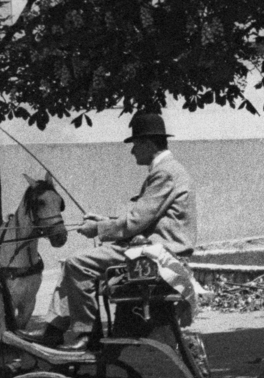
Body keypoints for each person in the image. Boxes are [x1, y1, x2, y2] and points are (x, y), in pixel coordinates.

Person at [27, 112, 196, 350]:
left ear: (148, 144)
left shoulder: (165, 172)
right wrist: (106, 220)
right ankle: (53, 331)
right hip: (151, 249)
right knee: (69, 264)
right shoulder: (168, 170)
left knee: (77, 263)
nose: (132, 151)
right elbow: (145, 218)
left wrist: (97, 228)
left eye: (135, 144)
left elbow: (136, 221)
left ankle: (86, 334)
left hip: (157, 254)